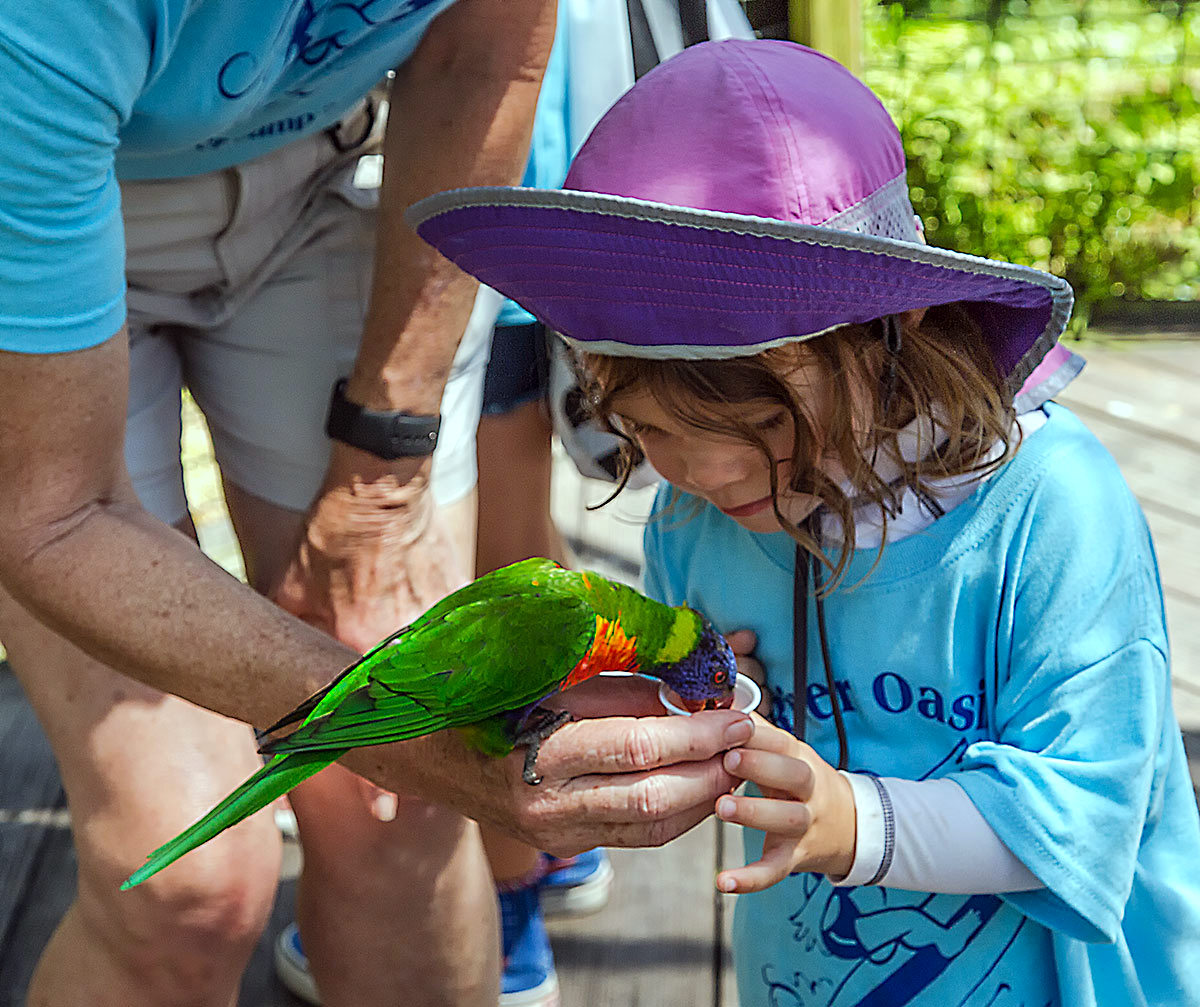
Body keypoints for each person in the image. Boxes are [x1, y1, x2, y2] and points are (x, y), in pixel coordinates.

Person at [409, 38, 1200, 1006]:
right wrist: (665, 719)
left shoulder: (1046, 505)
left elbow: (1089, 812)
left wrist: (847, 818)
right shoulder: (695, 520)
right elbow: (712, 714)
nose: (701, 470)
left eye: (756, 424)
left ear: (889, 329)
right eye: (650, 428)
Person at [0, 5, 754, 1006]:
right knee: (187, 878)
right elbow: (52, 511)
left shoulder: (600, 626)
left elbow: (488, 46)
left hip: (333, 170)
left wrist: (383, 465)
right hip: (46, 192)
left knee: (397, 815)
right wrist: (405, 727)